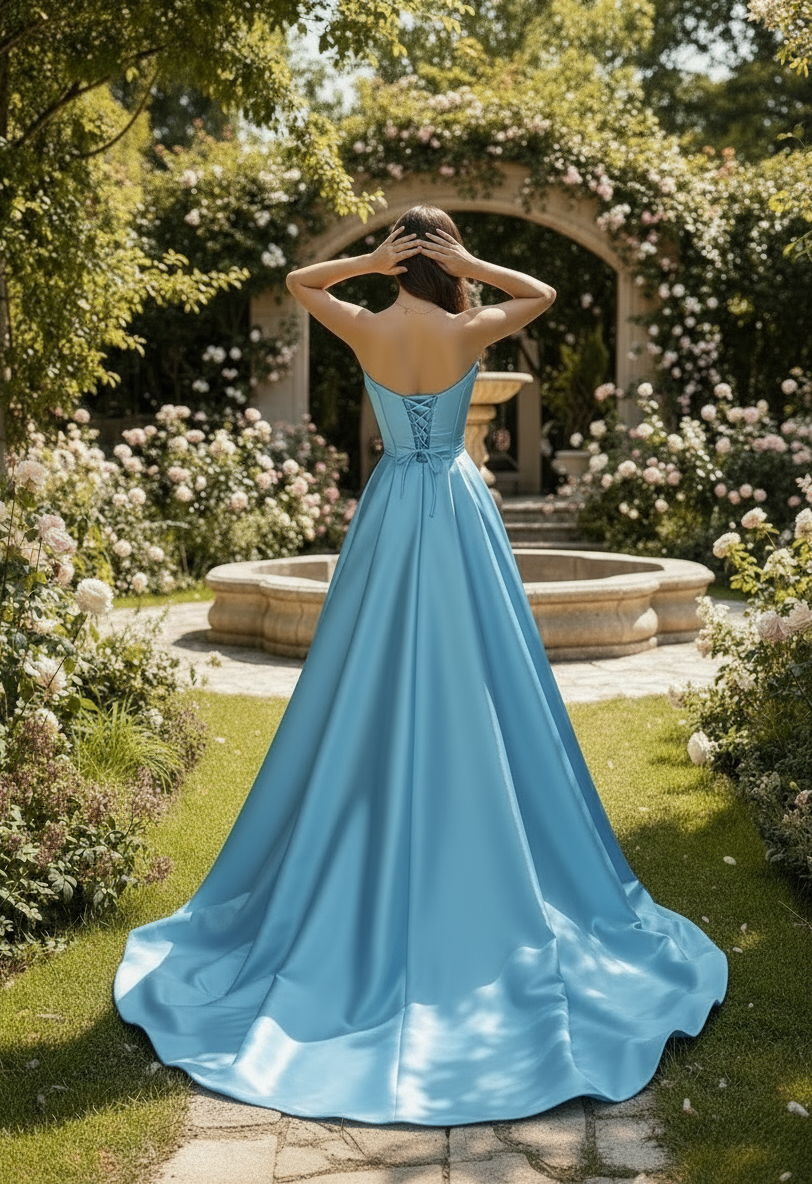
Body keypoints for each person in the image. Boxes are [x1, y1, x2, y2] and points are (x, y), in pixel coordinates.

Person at [113, 204, 728, 1126]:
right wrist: (470, 259)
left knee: (366, 671)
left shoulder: (365, 321)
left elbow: (297, 284)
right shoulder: (473, 323)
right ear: (443, 258)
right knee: (481, 669)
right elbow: (548, 292)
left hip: (392, 506)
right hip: (458, 508)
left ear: (403, 255)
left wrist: (367, 262)